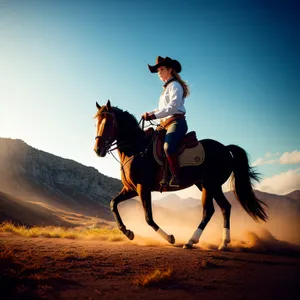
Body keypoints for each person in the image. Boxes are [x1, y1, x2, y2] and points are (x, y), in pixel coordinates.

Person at [141, 56, 190, 188]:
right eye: (157, 71)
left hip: (176, 122)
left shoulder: (175, 85)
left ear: (170, 69)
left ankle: (176, 177)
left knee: (168, 146)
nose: (159, 73)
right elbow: (162, 108)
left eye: (161, 69)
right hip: (166, 123)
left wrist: (154, 116)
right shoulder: (166, 89)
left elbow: (173, 107)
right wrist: (150, 113)